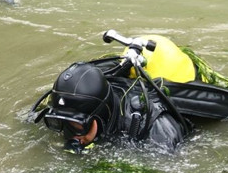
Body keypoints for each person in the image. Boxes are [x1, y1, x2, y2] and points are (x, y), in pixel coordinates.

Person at [30, 59, 192, 153]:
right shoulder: (60, 103)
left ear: (100, 116)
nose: (69, 134)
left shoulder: (155, 127)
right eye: (58, 122)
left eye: (77, 125)